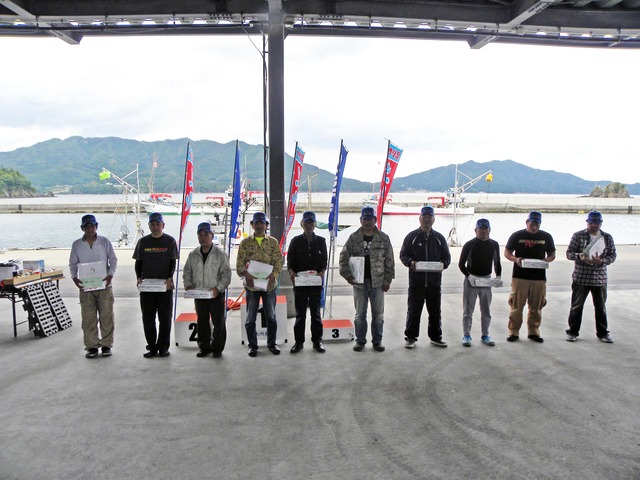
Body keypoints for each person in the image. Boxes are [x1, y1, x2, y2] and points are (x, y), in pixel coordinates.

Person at [339, 206, 394, 352]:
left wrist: (388, 280)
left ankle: (377, 341)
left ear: (375, 220)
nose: (367, 222)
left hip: (378, 283)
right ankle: (360, 341)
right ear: (361, 220)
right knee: (360, 315)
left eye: (370, 219)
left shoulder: (384, 238)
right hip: (359, 283)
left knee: (378, 315)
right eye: (365, 219)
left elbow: (389, 260)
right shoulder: (353, 238)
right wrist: (347, 276)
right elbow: (343, 258)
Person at [399, 205, 451, 349]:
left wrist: (443, 264)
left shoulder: (439, 238)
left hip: (434, 283)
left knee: (435, 311)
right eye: (424, 217)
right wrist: (411, 263)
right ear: (420, 218)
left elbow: (447, 257)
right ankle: (411, 337)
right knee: (413, 311)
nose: (427, 220)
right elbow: (403, 255)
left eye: (429, 217)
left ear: (434, 219)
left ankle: (436, 337)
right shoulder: (412, 237)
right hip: (416, 283)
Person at [69, 214, 118, 358]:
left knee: (107, 316)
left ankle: (107, 345)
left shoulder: (104, 242)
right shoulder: (77, 245)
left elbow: (113, 260)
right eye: (87, 226)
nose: (90, 229)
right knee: (88, 318)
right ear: (82, 228)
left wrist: (110, 275)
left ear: (96, 227)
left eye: (92, 226)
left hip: (104, 285)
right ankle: (91, 346)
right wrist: (74, 278)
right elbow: (72, 264)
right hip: (86, 287)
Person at [504, 211, 556, 343]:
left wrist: (547, 259)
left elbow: (552, 254)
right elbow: (507, 252)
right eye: (532, 223)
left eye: (537, 224)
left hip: (539, 278)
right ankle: (513, 331)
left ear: (540, 223)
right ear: (527, 222)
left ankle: (533, 331)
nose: (534, 226)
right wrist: (515, 259)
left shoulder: (546, 236)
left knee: (536, 306)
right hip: (520, 276)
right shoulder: (517, 235)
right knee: (516, 306)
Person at [236, 211, 283, 357]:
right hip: (251, 287)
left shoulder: (273, 242)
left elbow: (279, 262)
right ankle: (252, 346)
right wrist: (246, 275)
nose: (259, 225)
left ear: (266, 225)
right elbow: (239, 264)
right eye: (256, 223)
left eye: (262, 223)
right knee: (250, 319)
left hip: (269, 286)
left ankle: (272, 344)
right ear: (252, 225)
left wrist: (273, 276)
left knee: (271, 317)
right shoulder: (245, 243)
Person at [565, 211, 616, 343]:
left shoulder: (607, 237)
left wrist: (602, 261)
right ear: (587, 222)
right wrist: (580, 256)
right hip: (581, 277)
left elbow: (612, 256)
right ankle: (572, 332)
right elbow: (569, 253)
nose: (594, 225)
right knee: (576, 306)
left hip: (600, 278)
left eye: (596, 223)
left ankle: (603, 333)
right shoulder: (578, 235)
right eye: (591, 222)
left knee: (601, 307)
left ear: (601, 223)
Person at [133, 212, 179, 358]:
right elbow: (138, 262)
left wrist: (170, 277)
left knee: (165, 318)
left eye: (158, 224)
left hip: (165, 287)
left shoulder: (170, 241)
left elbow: (172, 262)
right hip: (147, 288)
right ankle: (152, 347)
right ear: (149, 226)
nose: (155, 227)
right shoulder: (143, 242)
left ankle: (163, 347)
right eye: (152, 224)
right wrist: (138, 277)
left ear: (163, 225)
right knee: (148, 318)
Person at [183, 222, 232, 357]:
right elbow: (187, 272)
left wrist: (218, 288)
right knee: (202, 322)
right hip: (199, 295)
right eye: (200, 235)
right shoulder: (193, 255)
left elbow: (226, 275)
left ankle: (217, 348)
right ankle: (204, 347)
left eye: (206, 234)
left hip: (216, 295)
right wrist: (188, 285)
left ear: (212, 235)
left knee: (218, 323)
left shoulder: (220, 254)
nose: (203, 237)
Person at [287, 211, 328, 354]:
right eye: (306, 222)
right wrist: (292, 273)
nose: (309, 225)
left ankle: (317, 341)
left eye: (311, 222)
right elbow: (290, 262)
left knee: (316, 314)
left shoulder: (321, 241)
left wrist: (322, 273)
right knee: (300, 315)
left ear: (315, 224)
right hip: (300, 284)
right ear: (302, 224)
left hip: (315, 284)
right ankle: (298, 342)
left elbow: (324, 262)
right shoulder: (295, 241)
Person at [458, 218, 502, 347]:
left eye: (485, 229)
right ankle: (466, 335)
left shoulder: (494, 244)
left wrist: (498, 276)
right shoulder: (469, 245)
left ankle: (485, 335)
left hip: (486, 279)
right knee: (468, 310)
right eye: (480, 229)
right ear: (475, 230)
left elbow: (497, 262)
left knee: (486, 310)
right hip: (471, 280)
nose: (483, 232)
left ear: (489, 230)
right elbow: (461, 264)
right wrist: (469, 276)